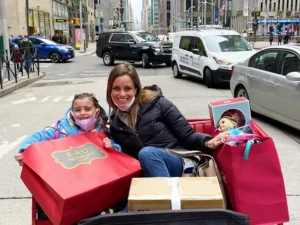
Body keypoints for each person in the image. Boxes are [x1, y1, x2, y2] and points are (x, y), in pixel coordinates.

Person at [106, 63, 230, 177]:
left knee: (147, 153)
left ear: (136, 89)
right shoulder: (115, 124)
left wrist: (208, 142)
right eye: (116, 88)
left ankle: (166, 199)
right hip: (151, 172)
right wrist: (114, 149)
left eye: (127, 88)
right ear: (110, 91)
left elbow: (187, 135)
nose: (122, 94)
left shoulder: (157, 103)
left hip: (180, 161)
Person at [14, 93, 121, 166]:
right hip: (71, 177)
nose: (82, 113)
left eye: (87, 109)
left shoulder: (103, 129)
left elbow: (117, 148)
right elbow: (38, 136)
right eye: (77, 110)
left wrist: (112, 147)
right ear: (72, 113)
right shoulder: (62, 128)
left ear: (96, 112)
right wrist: (26, 151)